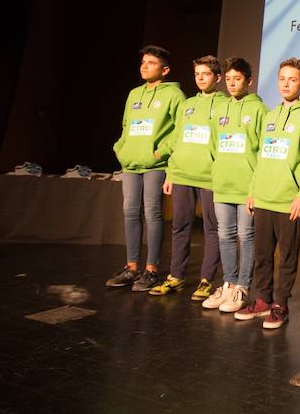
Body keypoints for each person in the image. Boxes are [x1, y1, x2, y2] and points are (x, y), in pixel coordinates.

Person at [234, 58, 300, 328]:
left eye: (292, 79)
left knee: (287, 257)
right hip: (264, 198)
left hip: (288, 200)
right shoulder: (270, 116)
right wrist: (252, 191)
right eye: (282, 78)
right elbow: (261, 159)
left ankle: (280, 304)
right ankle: (262, 300)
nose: (286, 83)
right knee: (262, 255)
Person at [108, 46, 185, 292]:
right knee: (130, 211)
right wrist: (121, 148)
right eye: (143, 62)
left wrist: (159, 152)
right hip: (130, 162)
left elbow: (180, 130)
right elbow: (126, 124)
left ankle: (152, 269)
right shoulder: (134, 94)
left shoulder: (175, 95)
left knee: (152, 213)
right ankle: (131, 267)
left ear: (165, 69)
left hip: (155, 164)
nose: (144, 66)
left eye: (151, 63)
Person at [149, 56, 225, 300]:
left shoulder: (225, 104)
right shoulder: (187, 105)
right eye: (197, 74)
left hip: (210, 177)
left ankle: (206, 280)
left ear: (218, 77)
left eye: (206, 74)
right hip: (182, 174)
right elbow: (179, 139)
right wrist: (171, 172)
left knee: (212, 228)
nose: (200, 78)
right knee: (180, 226)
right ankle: (176, 276)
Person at [201, 57, 267, 312]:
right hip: (223, 184)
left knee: (245, 236)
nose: (231, 83)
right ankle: (228, 284)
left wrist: (255, 187)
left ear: (249, 81)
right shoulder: (220, 109)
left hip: (246, 186)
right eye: (228, 79)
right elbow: (214, 145)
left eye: (237, 79)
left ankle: (242, 287)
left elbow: (263, 150)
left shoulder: (258, 110)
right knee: (225, 235)